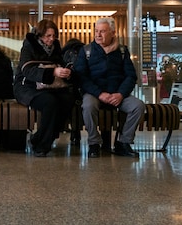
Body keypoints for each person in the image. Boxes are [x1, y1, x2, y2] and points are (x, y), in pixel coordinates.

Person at [74, 17, 145, 158]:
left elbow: (130, 76)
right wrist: (99, 94)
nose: (98, 35)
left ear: (113, 32)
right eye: (96, 31)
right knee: (88, 106)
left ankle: (123, 143)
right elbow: (81, 77)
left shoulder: (122, 51)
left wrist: (120, 94)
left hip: (117, 93)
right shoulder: (86, 51)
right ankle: (94, 143)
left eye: (103, 31)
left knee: (138, 106)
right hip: (94, 93)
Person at [13, 19, 74, 157]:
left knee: (67, 100)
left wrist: (65, 72)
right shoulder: (29, 46)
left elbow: (61, 63)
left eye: (53, 36)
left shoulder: (56, 47)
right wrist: (52, 72)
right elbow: (27, 71)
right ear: (40, 35)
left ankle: (38, 138)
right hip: (26, 86)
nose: (51, 39)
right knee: (49, 102)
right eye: (48, 36)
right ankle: (42, 146)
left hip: (48, 86)